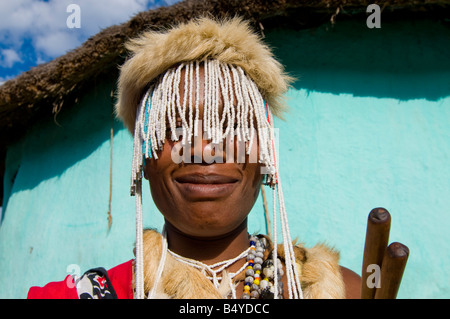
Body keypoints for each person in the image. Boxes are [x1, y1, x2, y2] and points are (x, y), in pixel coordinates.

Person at [28, 17, 361, 299]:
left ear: (265, 155)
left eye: (232, 125)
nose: (204, 149)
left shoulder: (344, 290)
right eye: (175, 126)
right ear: (144, 158)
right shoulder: (84, 292)